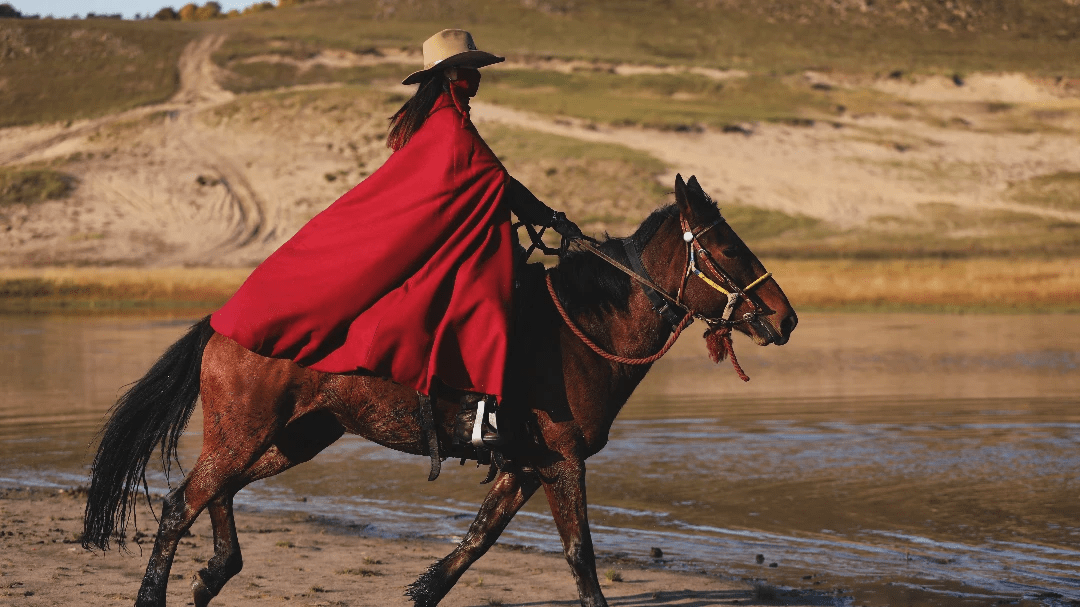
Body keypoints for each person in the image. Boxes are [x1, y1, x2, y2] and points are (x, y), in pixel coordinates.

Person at [210, 29, 583, 447]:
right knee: (489, 304)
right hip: (453, 242)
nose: (476, 79)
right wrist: (550, 217)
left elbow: (476, 187)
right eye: (471, 70)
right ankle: (477, 424)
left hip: (452, 235)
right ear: (452, 74)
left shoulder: (440, 119)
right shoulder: (450, 128)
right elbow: (497, 182)